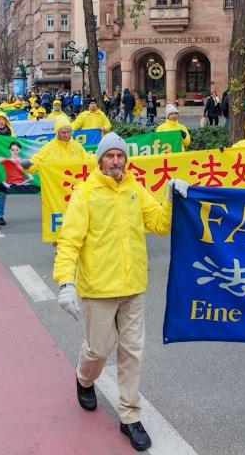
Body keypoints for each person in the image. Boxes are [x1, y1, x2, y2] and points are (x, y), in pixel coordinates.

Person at [53, 132, 187, 452]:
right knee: (98, 350)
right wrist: (65, 282)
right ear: (99, 160)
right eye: (110, 156)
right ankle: (84, 379)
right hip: (98, 288)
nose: (116, 161)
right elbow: (69, 241)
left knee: (131, 352)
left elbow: (158, 224)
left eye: (120, 156)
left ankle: (130, 416)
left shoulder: (134, 189)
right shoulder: (85, 194)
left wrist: (169, 199)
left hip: (133, 287)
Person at [20, 114, 92, 175]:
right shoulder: (49, 148)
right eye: (63, 132)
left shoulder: (77, 146)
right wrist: (28, 165)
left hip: (74, 187)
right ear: (57, 132)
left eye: (69, 131)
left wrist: (98, 158)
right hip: (56, 187)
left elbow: (88, 160)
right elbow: (37, 161)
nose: (66, 135)